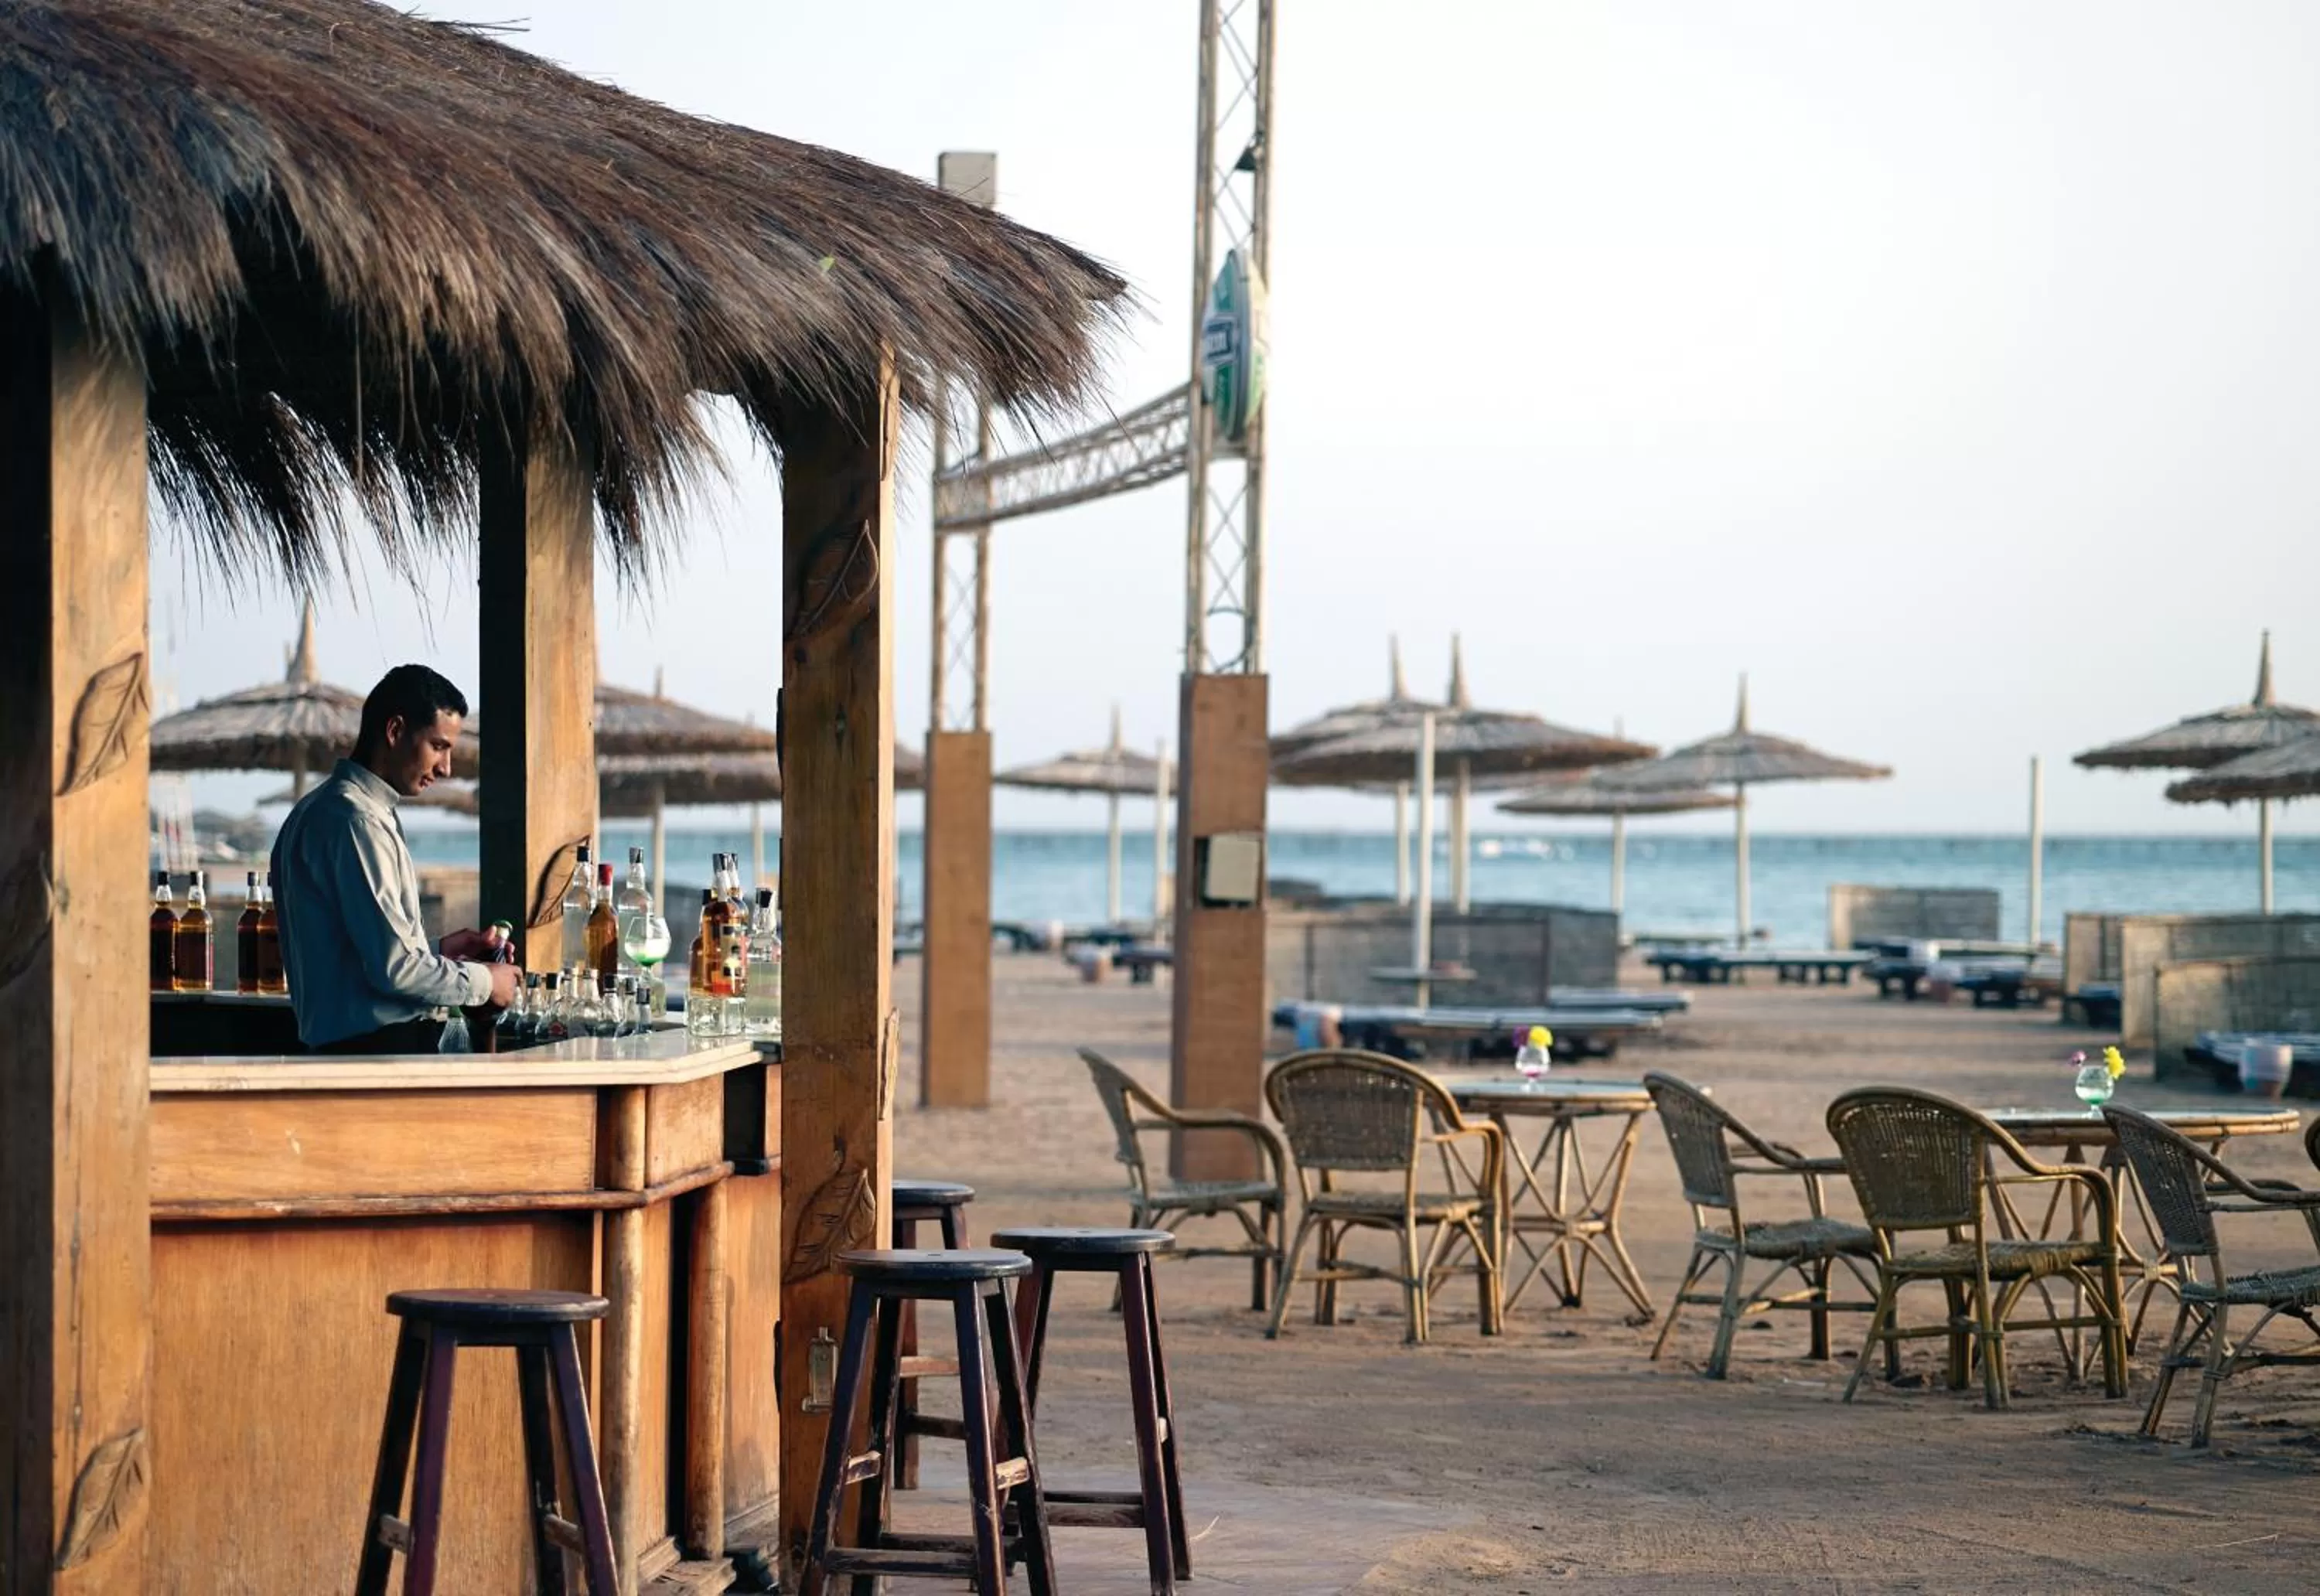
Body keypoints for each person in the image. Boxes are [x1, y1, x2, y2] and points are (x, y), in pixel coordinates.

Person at [270, 663, 521, 1052]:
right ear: (395, 731)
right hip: (374, 1056)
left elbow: (360, 957)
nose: (446, 768)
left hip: (353, 1052)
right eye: (438, 746)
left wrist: (438, 952)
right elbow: (396, 972)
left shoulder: (319, 810)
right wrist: (487, 981)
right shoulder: (357, 822)